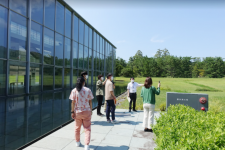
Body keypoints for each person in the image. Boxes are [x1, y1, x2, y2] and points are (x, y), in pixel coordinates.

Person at [69, 77, 94, 150]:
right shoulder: (88, 90)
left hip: (78, 111)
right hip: (86, 111)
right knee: (87, 129)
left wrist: (72, 111)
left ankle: (77, 142)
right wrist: (91, 110)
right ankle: (87, 145)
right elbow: (90, 101)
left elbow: (73, 102)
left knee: (77, 128)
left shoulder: (74, 91)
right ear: (83, 82)